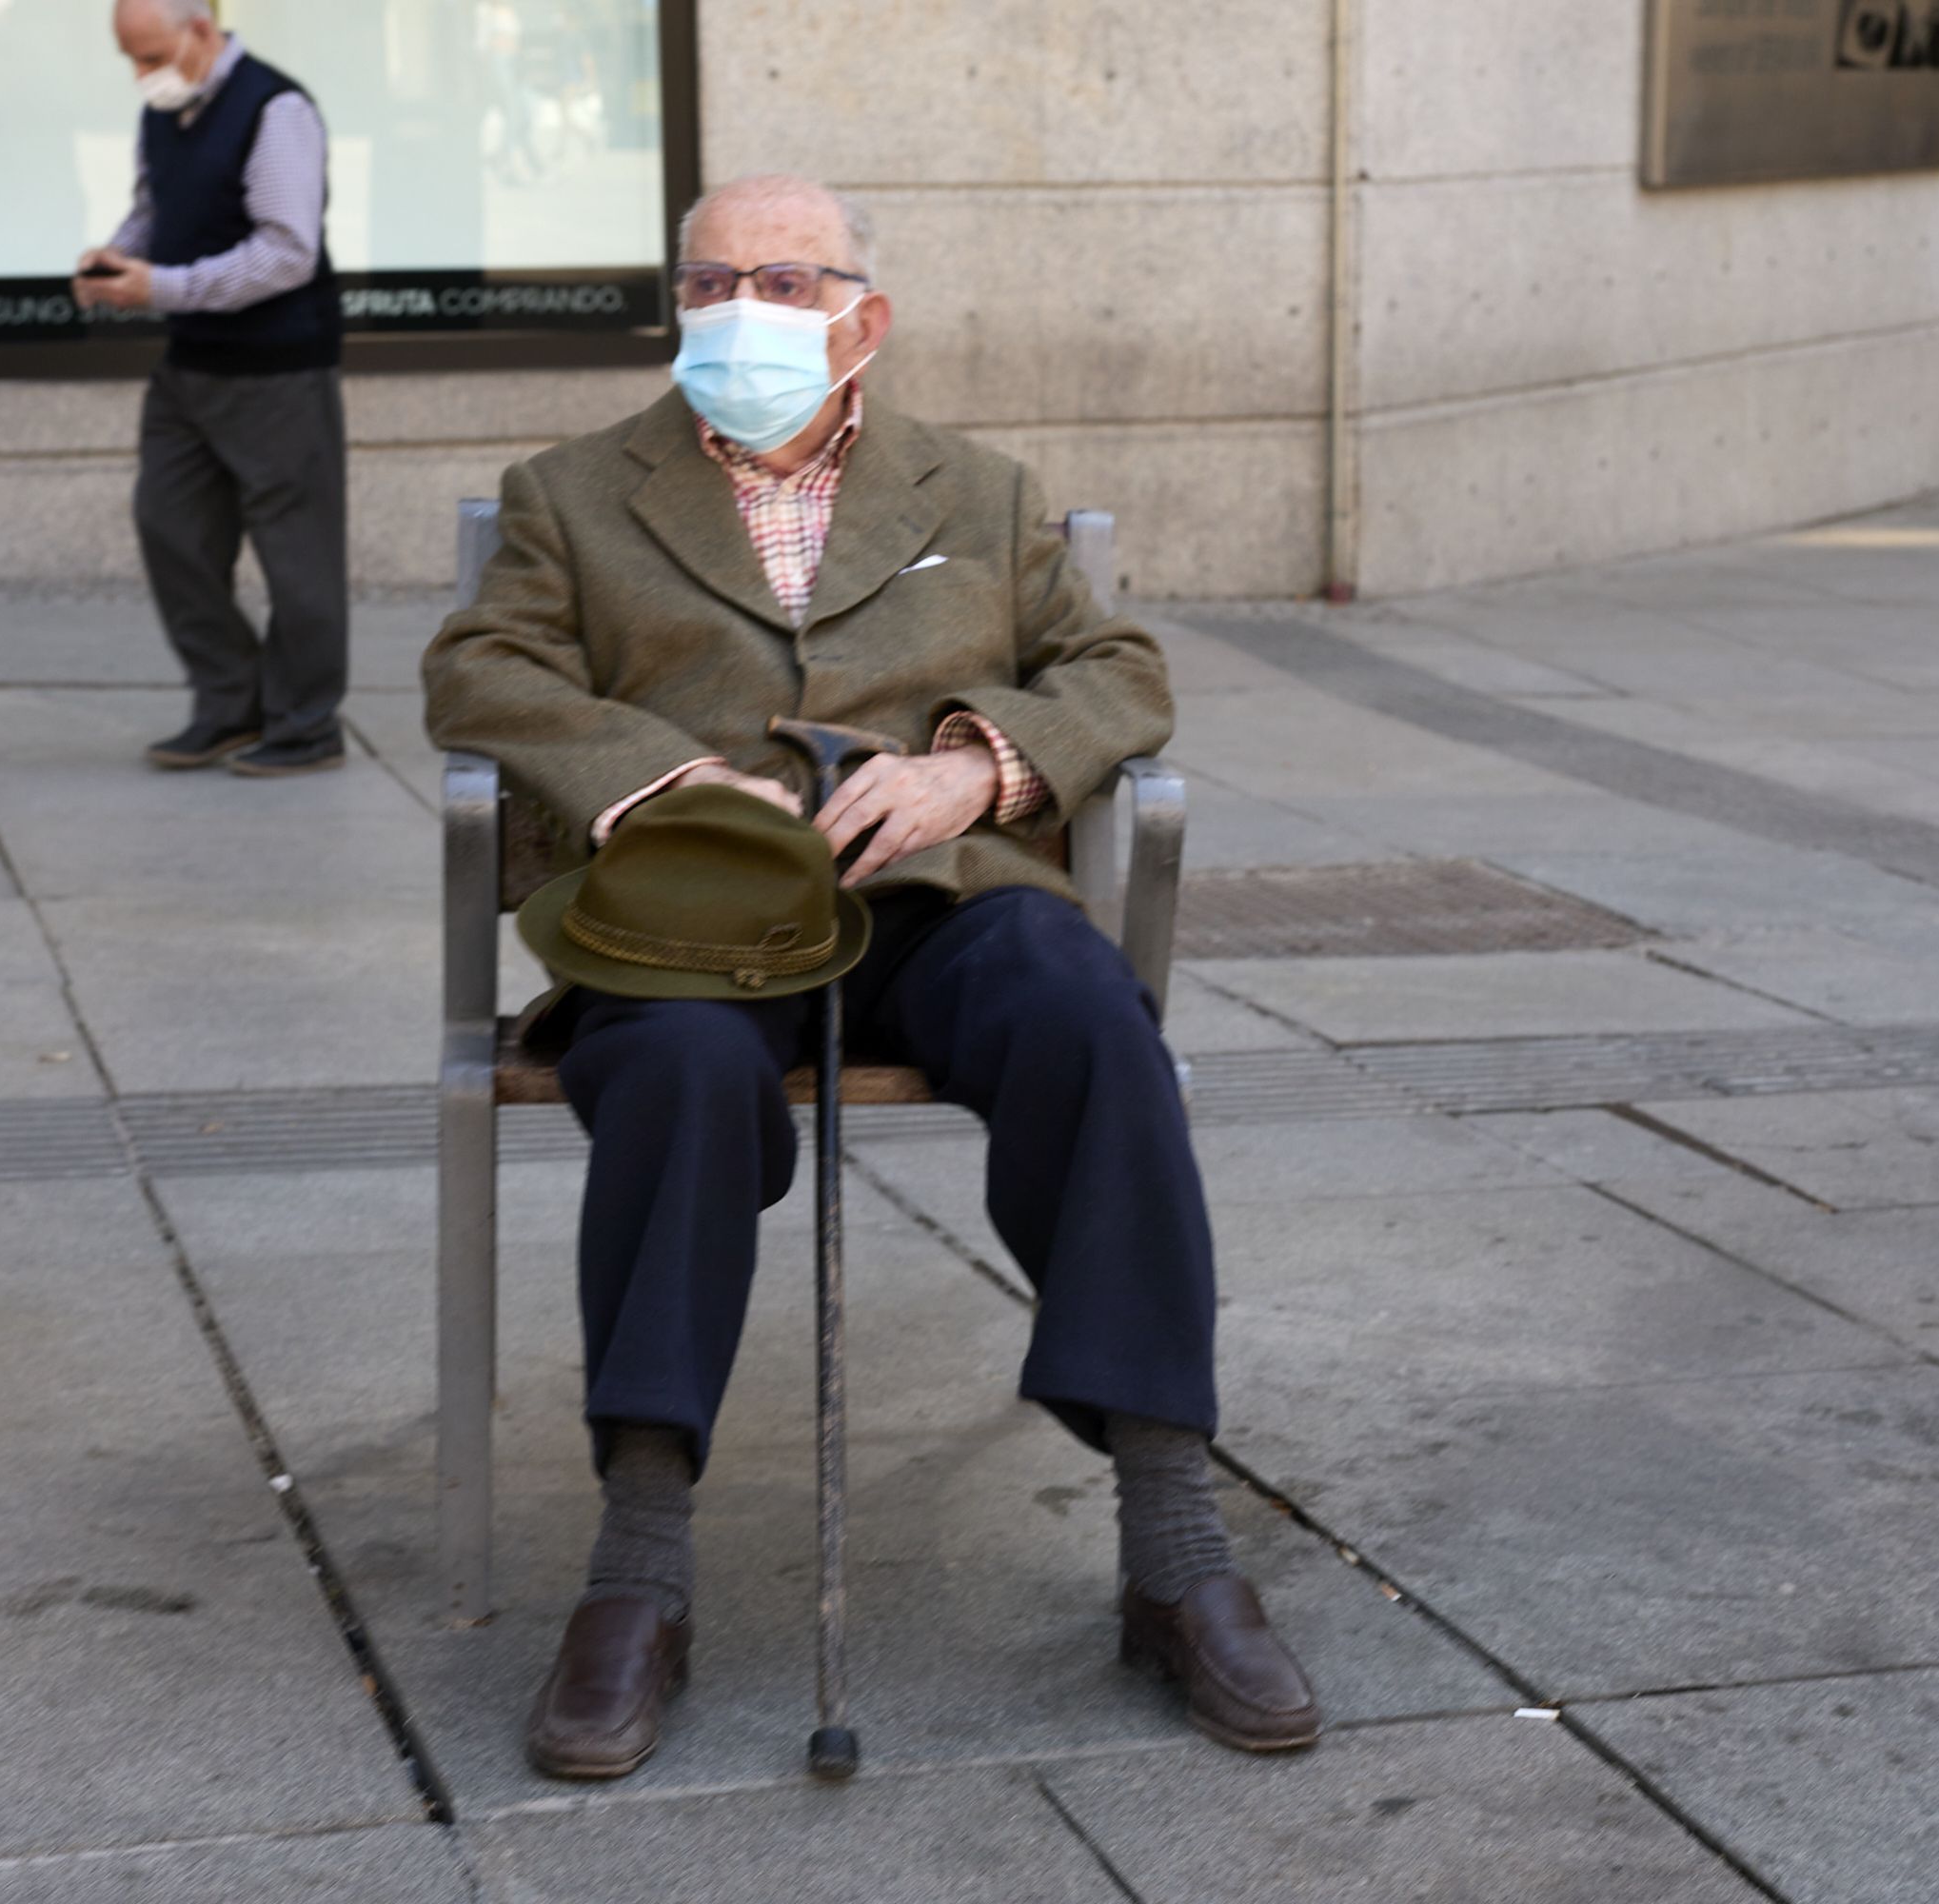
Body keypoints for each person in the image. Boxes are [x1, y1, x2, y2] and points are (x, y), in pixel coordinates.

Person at [422, 173, 1322, 1781]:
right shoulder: (570, 493)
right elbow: (482, 666)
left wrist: (981, 769)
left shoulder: (974, 492)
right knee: (686, 1076)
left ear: (864, 317)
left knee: (1087, 1014)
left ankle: (1175, 1539)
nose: (737, 311)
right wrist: (656, 782)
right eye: (707, 283)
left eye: (780, 278)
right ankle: (638, 1564)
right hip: (696, 917)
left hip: (937, 899)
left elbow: (1114, 666)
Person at [74, 0, 348, 776]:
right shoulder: (165, 111)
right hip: (191, 364)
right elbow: (153, 209)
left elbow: (285, 253)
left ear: (200, 31)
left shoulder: (275, 108)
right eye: (130, 59)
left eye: (149, 55)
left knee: (298, 559)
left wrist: (158, 286)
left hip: (278, 369)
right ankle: (231, 705)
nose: (140, 75)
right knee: (170, 529)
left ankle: (305, 724)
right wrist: (116, 260)